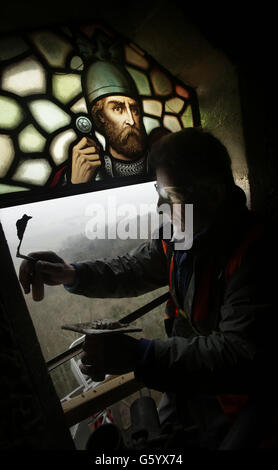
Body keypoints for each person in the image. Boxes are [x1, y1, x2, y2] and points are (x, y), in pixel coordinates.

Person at [19, 128, 278, 449]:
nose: (159, 206)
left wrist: (139, 355)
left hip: (249, 395)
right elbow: (131, 269)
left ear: (211, 195)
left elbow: (239, 356)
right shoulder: (180, 235)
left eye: (169, 194)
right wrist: (71, 273)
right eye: (158, 190)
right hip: (193, 374)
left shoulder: (255, 253)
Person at [53, 60, 151, 187]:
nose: (131, 121)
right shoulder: (84, 168)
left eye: (134, 109)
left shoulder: (162, 160)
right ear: (100, 117)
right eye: (118, 108)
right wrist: (76, 184)